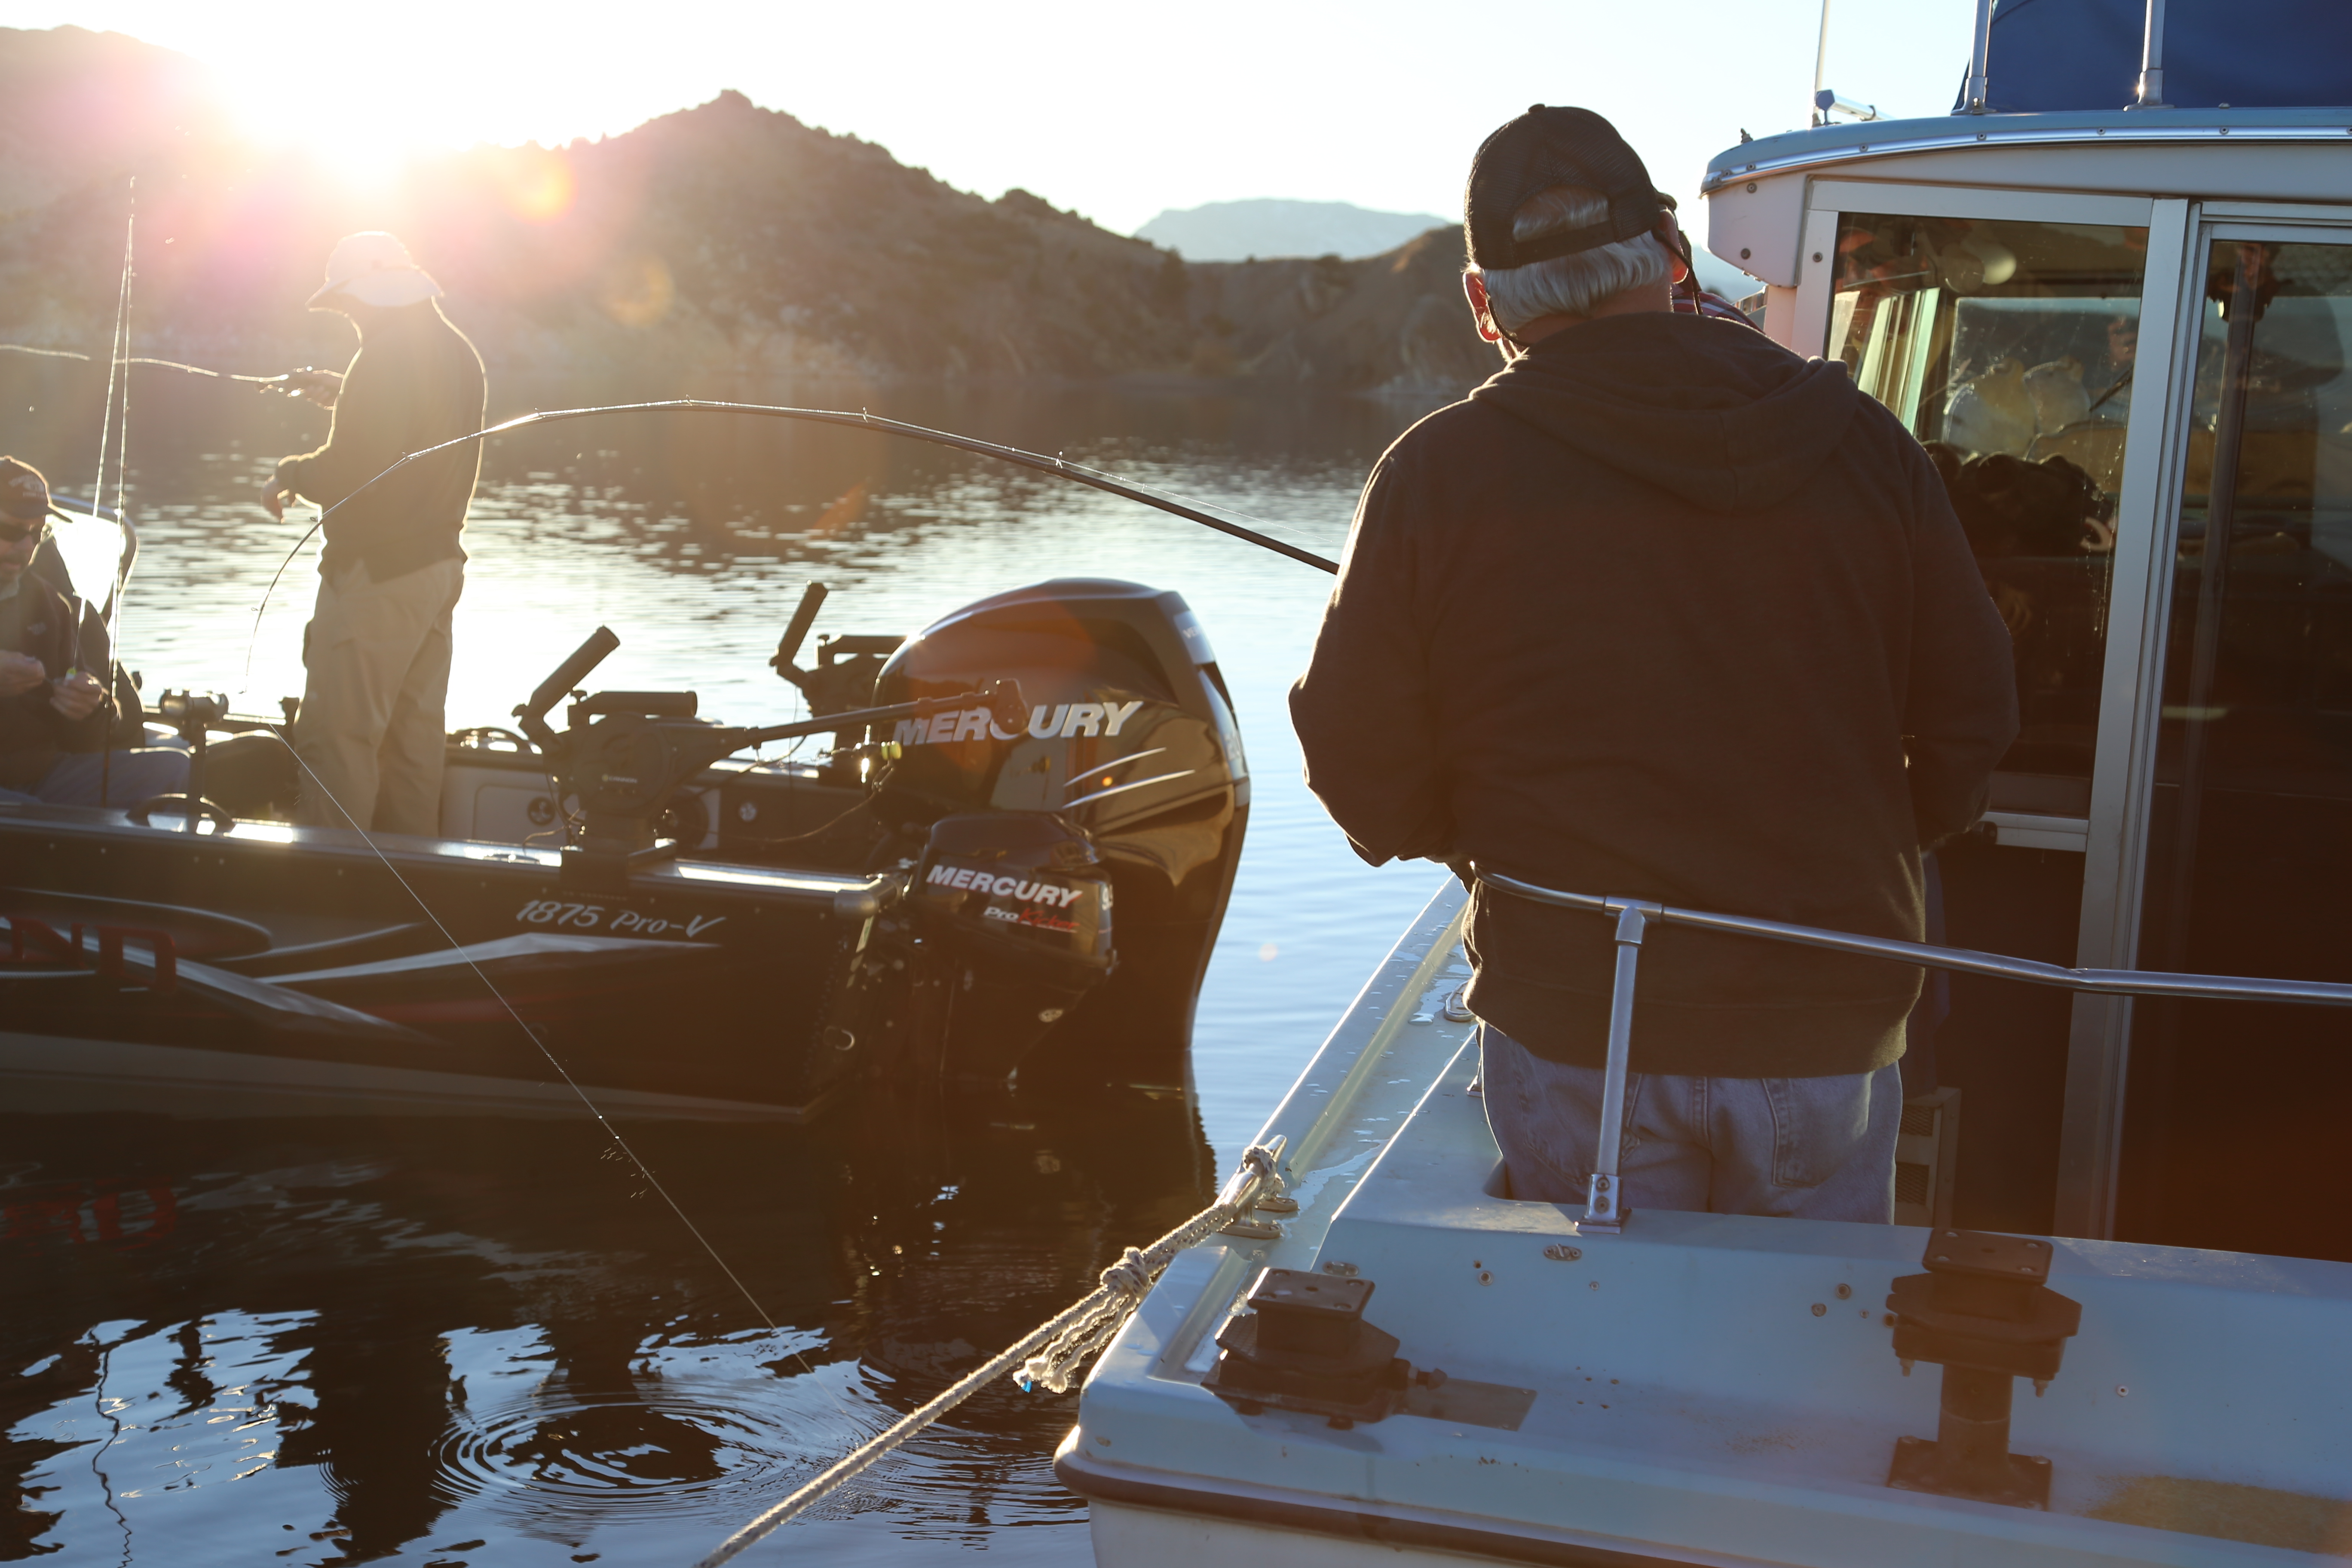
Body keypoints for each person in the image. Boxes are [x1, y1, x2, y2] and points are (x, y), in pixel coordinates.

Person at [1289, 107, 2017, 1223]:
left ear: (1485, 306)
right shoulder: (1872, 447)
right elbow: (1972, 724)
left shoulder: (1436, 476)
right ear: (1675, 255)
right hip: (1827, 1020)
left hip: (1579, 1021)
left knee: (1600, 1365)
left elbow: (1354, 753)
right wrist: (1866, 842)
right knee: (1803, 1353)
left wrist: (1485, 850)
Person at [263, 231, 486, 837]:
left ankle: (336, 882)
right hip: (437, 574)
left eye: (350, 304)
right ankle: (411, 887)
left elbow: (353, 471)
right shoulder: (456, 351)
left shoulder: (385, 359)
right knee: (411, 744)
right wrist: (347, 394)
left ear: (374, 295)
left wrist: (288, 472)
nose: (350, 315)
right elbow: (413, 425)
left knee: (339, 739)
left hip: (377, 576)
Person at [0, 456, 188, 808]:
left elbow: (87, 739)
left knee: (173, 768)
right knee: (28, 815)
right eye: (11, 531)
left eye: (37, 532)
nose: (26, 548)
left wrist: (93, 708)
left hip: (41, 775)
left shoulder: (51, 605)